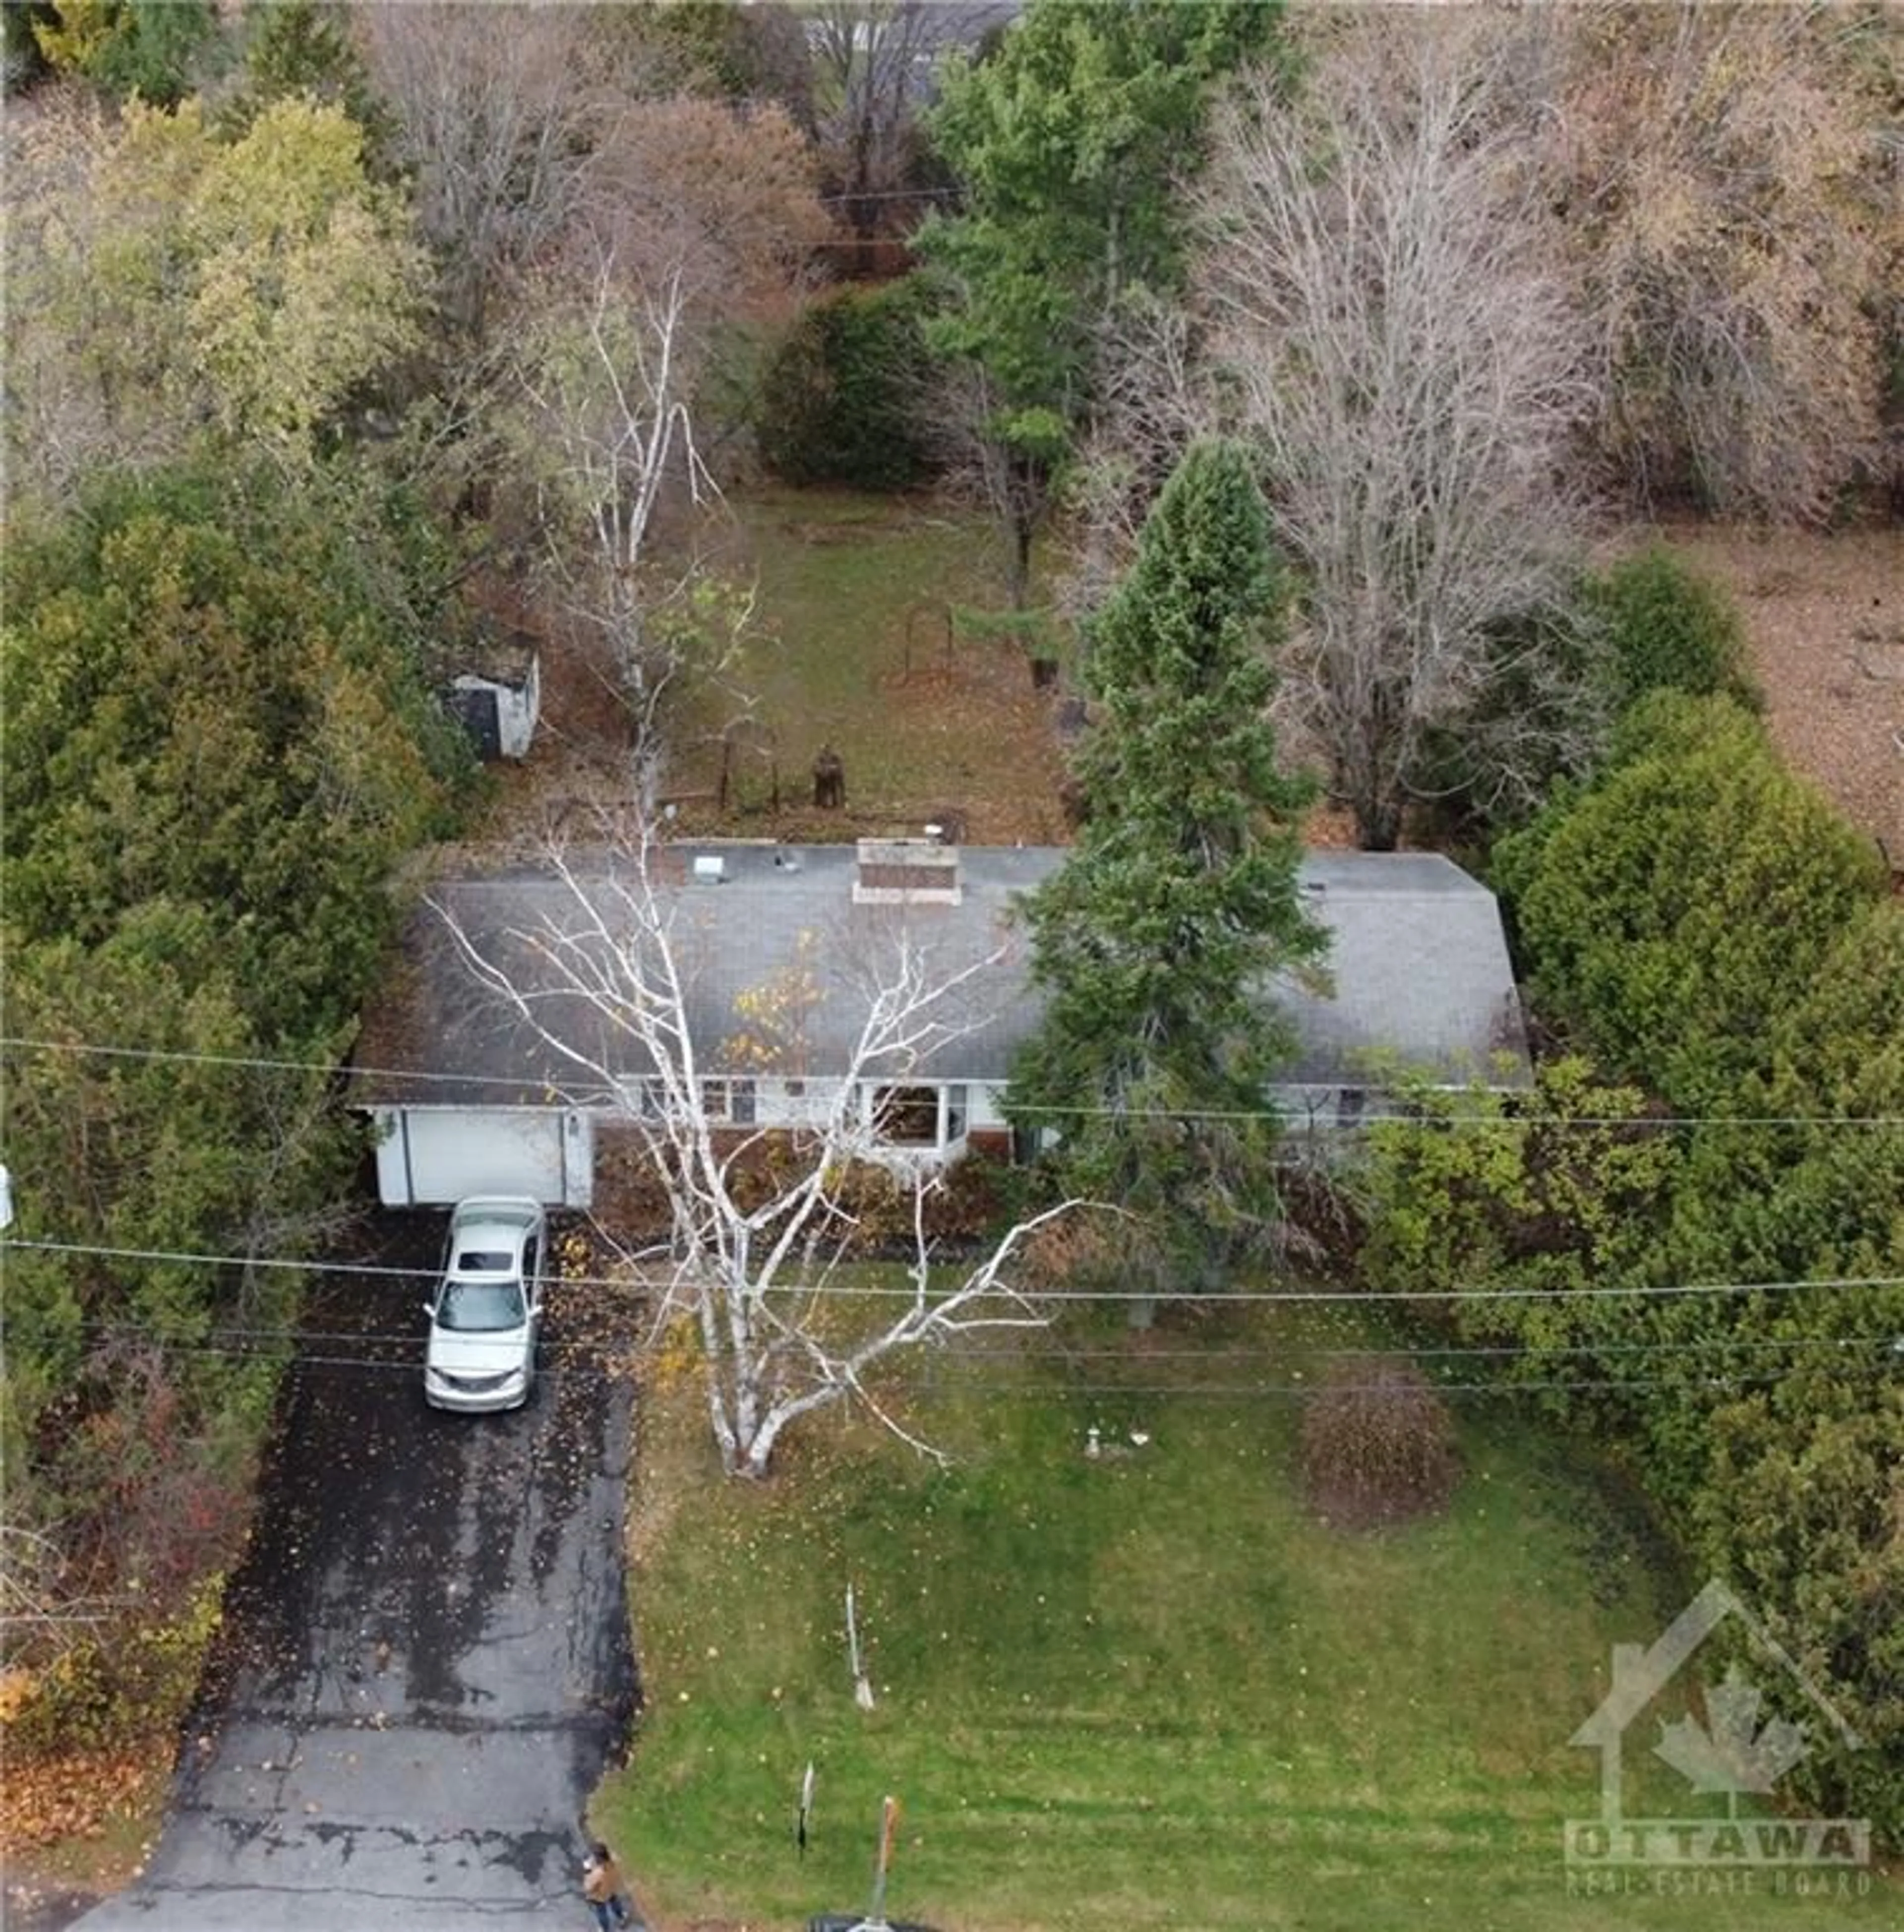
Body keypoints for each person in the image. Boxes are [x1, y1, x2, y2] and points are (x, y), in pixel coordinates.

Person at [581, 1841, 632, 1931]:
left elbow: (588, 1887)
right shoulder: (612, 1862)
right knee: (614, 1902)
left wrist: (588, 1871)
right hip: (612, 1888)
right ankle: (622, 1916)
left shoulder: (598, 1873)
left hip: (600, 1896)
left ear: (598, 1857)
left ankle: (605, 1929)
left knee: (602, 1912)